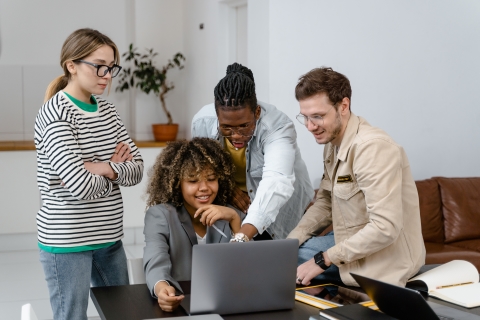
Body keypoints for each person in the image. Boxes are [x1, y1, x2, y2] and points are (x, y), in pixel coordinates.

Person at [35, 28, 144, 320]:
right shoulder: (55, 114)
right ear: (71, 65)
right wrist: (113, 170)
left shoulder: (107, 111)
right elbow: (79, 186)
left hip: (109, 237)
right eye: (99, 66)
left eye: (111, 68)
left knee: (124, 314)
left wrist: (101, 167)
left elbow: (137, 170)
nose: (106, 75)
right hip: (67, 241)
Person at [288, 67, 425, 287]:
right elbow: (325, 202)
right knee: (284, 257)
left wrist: (323, 260)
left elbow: (385, 227)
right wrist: (290, 242)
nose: (310, 126)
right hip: (349, 238)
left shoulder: (372, 148)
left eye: (318, 116)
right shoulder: (332, 143)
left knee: (286, 266)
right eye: (305, 117)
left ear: (343, 106)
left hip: (385, 258)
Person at [192, 63, 314, 242]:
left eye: (244, 126)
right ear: (217, 115)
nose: (236, 135)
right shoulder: (202, 122)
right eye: (226, 127)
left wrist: (242, 236)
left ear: (257, 112)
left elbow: (276, 181)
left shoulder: (277, 127)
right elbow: (202, 168)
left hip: (283, 208)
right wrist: (227, 187)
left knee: (278, 259)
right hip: (236, 205)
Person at [143, 137, 244, 312]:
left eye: (211, 179)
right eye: (193, 181)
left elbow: (248, 269)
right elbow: (155, 261)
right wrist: (162, 289)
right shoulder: (160, 215)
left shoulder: (230, 214)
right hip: (182, 305)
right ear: (177, 183)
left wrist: (235, 220)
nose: (204, 188)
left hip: (228, 305)